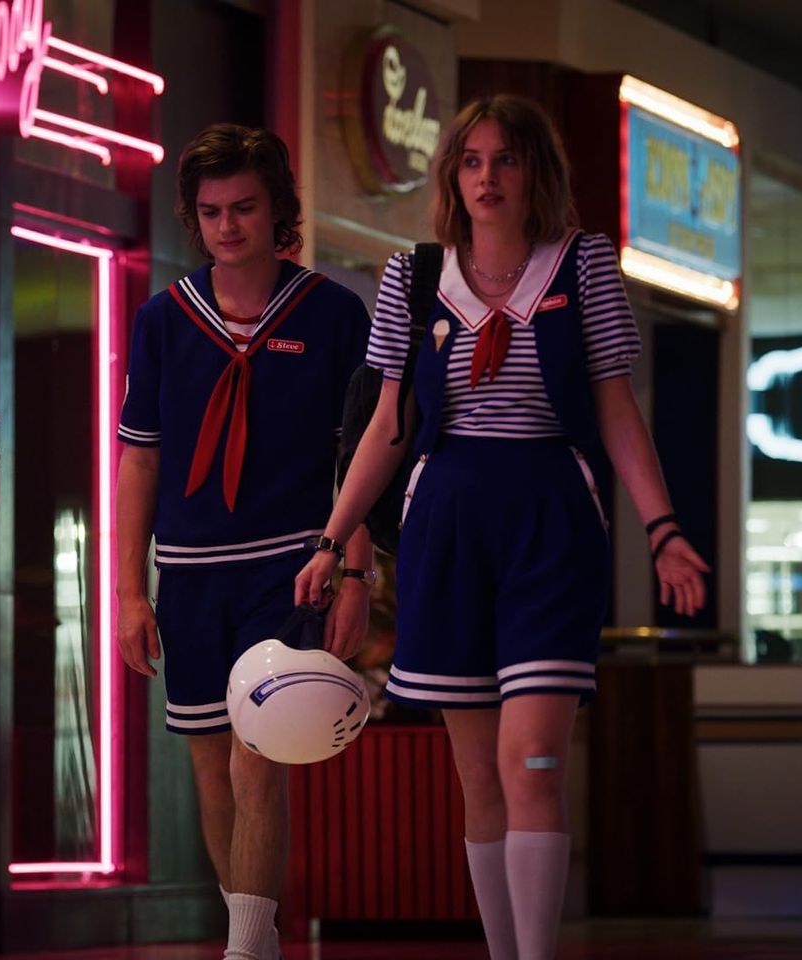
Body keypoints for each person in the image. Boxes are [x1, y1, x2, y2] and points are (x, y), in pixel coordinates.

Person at [294, 95, 710, 960]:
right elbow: (385, 426)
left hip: (549, 515)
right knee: (478, 773)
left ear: (536, 174)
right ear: (453, 176)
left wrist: (663, 529)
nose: (488, 177)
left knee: (533, 760)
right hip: (446, 518)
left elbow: (616, 407)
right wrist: (333, 540)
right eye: (472, 161)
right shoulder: (411, 276)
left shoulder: (583, 265)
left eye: (506, 159)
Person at [117, 123, 374, 960]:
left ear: (278, 209)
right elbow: (138, 459)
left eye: (245, 207)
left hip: (292, 567)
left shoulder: (333, 314)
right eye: (212, 211)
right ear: (194, 219)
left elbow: (362, 458)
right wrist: (128, 591)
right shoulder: (162, 320)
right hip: (189, 575)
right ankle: (253, 941)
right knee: (210, 771)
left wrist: (358, 574)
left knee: (258, 757)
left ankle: (247, 951)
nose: (228, 226)